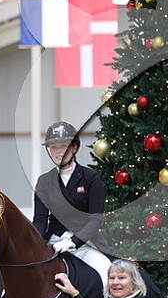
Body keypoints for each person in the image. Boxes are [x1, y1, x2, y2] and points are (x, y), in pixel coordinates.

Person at [33, 122, 112, 286]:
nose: (59, 151)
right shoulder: (44, 181)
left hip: (85, 244)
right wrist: (32, 244)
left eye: (64, 146)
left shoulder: (90, 177)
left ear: (74, 147)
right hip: (53, 243)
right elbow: (40, 221)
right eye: (54, 147)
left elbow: (95, 219)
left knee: (107, 275)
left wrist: (74, 241)